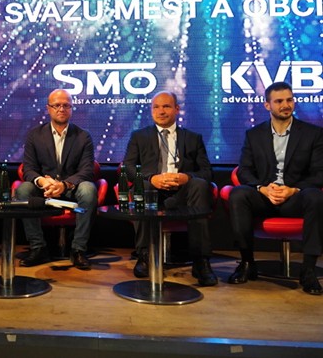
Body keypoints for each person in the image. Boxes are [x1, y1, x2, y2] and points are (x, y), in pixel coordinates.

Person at [227, 82, 323, 295]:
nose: (285, 105)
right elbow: (244, 171)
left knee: (315, 197)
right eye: (279, 101)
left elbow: (319, 173)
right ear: (267, 105)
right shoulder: (254, 135)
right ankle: (247, 263)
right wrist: (262, 188)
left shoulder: (313, 134)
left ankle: (308, 270)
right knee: (238, 194)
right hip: (265, 197)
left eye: (289, 100)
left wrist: (292, 190)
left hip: (295, 197)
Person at [124, 91, 218, 286]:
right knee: (141, 187)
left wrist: (187, 177)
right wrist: (152, 178)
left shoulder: (193, 138)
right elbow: (129, 168)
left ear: (177, 109)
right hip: (153, 190)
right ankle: (144, 255)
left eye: (166, 106)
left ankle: (201, 261)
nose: (161, 111)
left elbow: (207, 171)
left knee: (200, 184)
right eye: (156, 107)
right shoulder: (139, 136)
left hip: (183, 193)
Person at [15, 89, 97, 270]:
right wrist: (42, 182)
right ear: (48, 108)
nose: (61, 109)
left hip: (71, 189)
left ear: (71, 108)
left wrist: (64, 185)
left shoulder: (83, 136)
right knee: (23, 189)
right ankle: (38, 247)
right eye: (57, 105)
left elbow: (87, 170)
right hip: (44, 190)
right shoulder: (35, 135)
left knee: (88, 189)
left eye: (66, 105)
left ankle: (78, 249)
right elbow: (28, 169)